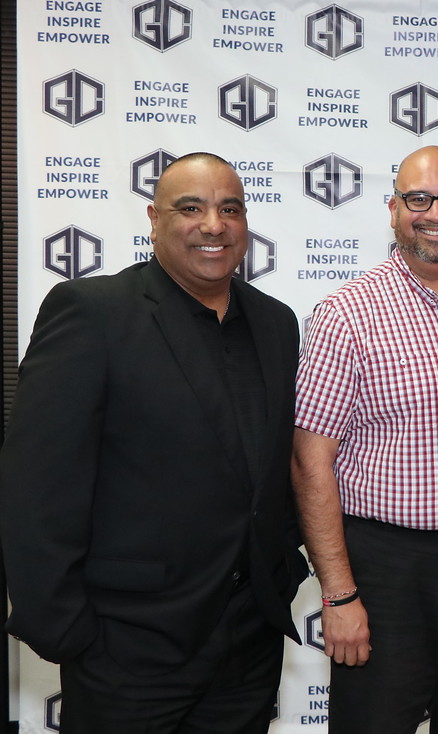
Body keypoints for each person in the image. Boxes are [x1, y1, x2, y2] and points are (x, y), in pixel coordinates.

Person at [0, 152, 307, 733]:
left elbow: (270, 468)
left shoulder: (276, 323)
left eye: (230, 209)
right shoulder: (93, 313)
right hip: (126, 646)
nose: (213, 224)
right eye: (190, 208)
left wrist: (280, 571)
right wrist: (65, 629)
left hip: (249, 644)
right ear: (154, 218)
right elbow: (37, 483)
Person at [291, 145, 438, 734]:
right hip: (385, 569)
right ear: (392, 209)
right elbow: (309, 462)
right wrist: (340, 595)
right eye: (418, 198)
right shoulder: (347, 314)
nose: (436, 213)